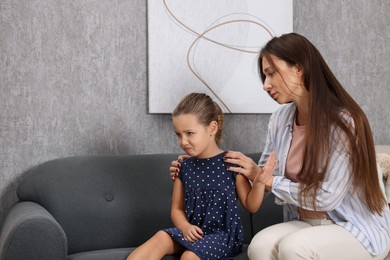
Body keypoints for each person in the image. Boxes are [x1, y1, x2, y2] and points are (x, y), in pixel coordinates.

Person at [170, 33, 390, 259]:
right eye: (264, 76)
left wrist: (268, 179)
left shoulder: (344, 123)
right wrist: (200, 167)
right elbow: (263, 179)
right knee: (259, 247)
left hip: (352, 226)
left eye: (271, 74)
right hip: (306, 223)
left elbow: (327, 197)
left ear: (299, 68)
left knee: (293, 248)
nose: (266, 85)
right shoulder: (280, 119)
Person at [128, 92, 276, 260]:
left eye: (189, 133)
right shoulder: (183, 167)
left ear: (212, 128)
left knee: (189, 257)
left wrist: (259, 182)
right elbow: (176, 209)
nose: (183, 141)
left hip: (223, 237)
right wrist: (184, 227)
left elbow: (251, 205)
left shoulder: (232, 163)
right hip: (192, 232)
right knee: (160, 238)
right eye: (178, 134)